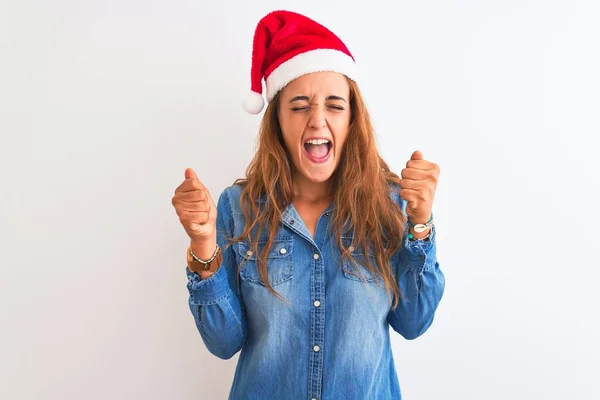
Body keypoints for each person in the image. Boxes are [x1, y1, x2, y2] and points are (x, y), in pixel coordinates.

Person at [171, 9, 445, 400]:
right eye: (299, 106)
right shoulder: (238, 208)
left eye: (334, 105)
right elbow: (223, 342)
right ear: (278, 122)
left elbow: (414, 321)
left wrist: (419, 224)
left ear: (352, 120)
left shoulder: (391, 203)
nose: (317, 120)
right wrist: (202, 245)